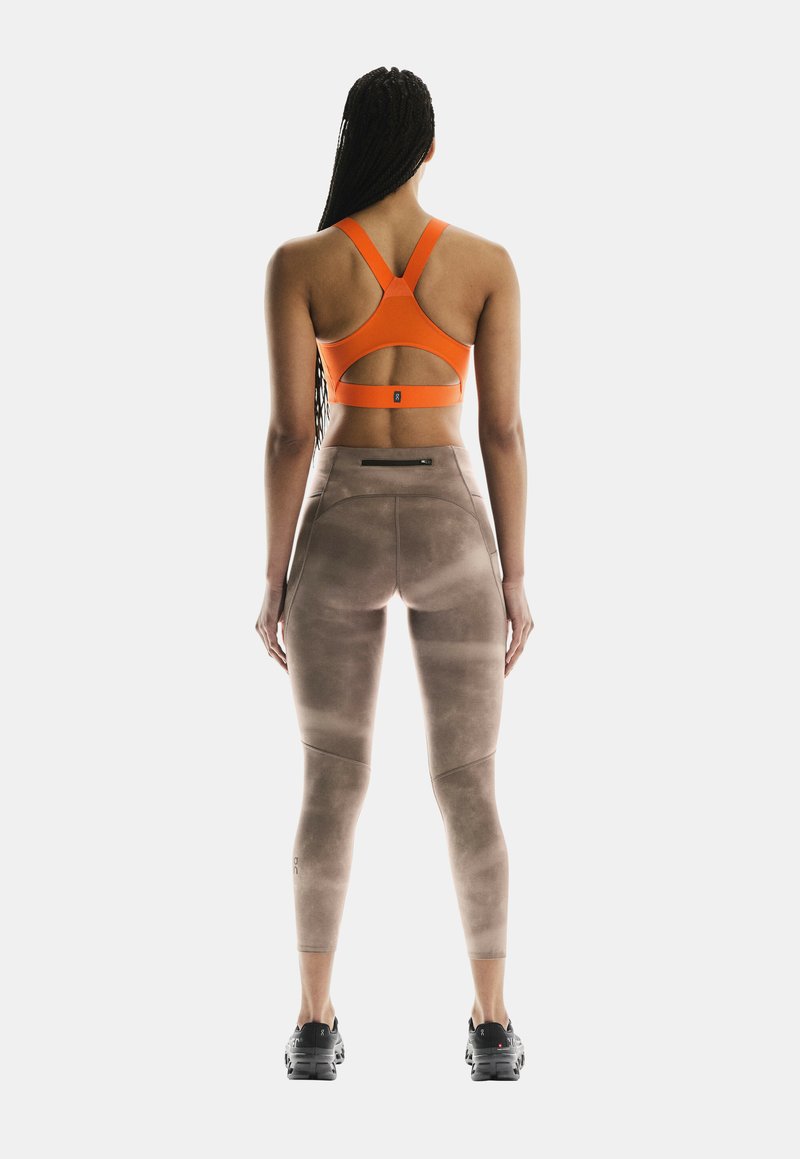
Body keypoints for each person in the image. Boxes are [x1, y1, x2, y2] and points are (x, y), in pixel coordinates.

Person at [256, 66, 533, 1081]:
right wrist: (513, 578)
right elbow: (501, 431)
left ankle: (313, 1023)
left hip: (341, 523)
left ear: (350, 143)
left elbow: (292, 433)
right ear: (428, 148)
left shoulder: (301, 263)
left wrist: (274, 575)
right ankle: (492, 1025)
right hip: (452, 525)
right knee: (468, 783)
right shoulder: (485, 264)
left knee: (330, 780)